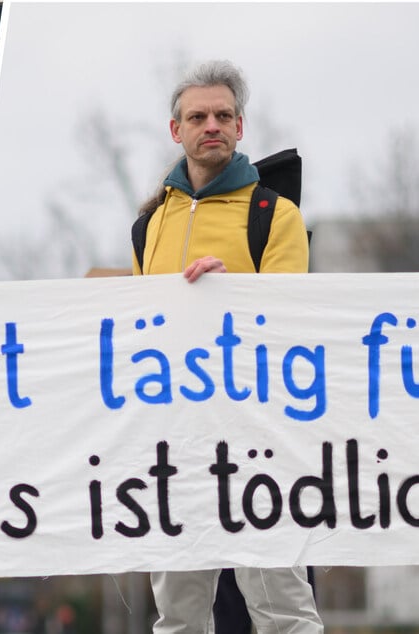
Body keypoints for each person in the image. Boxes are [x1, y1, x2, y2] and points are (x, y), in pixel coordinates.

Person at [133, 60, 323, 633]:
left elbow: (290, 322)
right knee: (178, 613)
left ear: (241, 126)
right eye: (198, 116)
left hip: (256, 435)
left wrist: (232, 294)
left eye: (222, 115)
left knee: (282, 605)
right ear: (177, 131)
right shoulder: (148, 225)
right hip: (175, 437)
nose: (210, 125)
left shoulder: (275, 214)